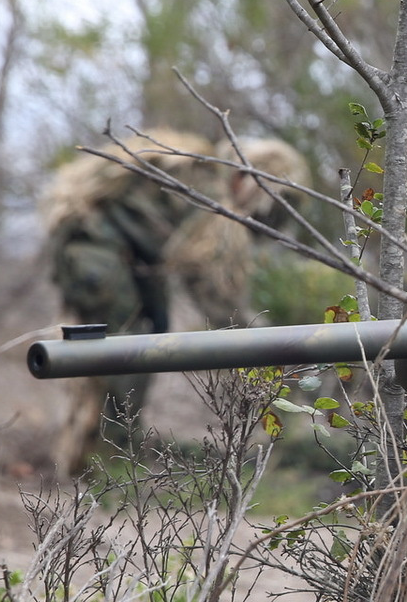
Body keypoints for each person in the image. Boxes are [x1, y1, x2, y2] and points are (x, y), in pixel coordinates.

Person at [44, 129, 310, 476]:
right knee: (124, 347)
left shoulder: (199, 174)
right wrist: (270, 348)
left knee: (145, 338)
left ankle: (102, 459)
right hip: (94, 245)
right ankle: (103, 467)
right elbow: (218, 299)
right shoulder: (209, 191)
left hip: (106, 245)